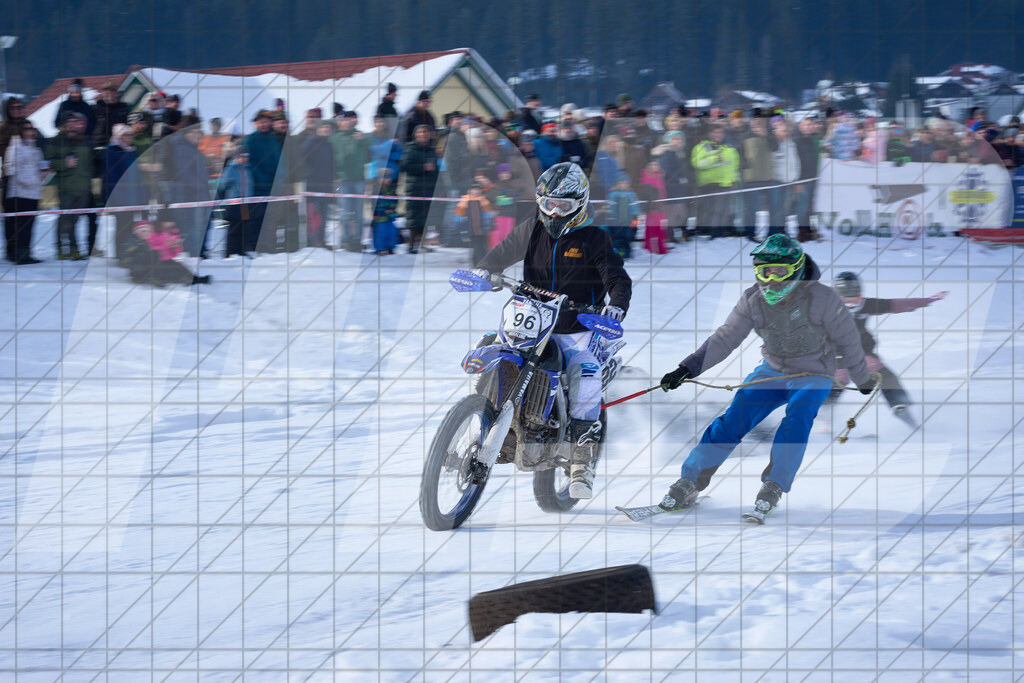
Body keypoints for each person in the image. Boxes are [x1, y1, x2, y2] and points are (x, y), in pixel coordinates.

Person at [658, 234, 875, 520]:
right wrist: (687, 368)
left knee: (798, 418)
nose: (772, 280)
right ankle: (690, 482)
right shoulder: (753, 299)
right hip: (772, 371)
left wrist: (862, 379)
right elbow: (726, 338)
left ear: (796, 269)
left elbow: (849, 342)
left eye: (780, 272)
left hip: (814, 373)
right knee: (732, 420)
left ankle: (774, 484)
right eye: (764, 272)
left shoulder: (823, 298)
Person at [472, 162, 632, 499]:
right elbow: (500, 254)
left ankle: (582, 462)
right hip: (529, 319)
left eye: (564, 206)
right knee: (491, 348)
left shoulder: (594, 239)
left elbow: (616, 277)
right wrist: (486, 270)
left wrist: (615, 304)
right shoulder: (530, 230)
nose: (555, 212)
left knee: (585, 374)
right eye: (549, 204)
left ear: (580, 205)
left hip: (577, 328)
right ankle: (480, 420)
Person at [827, 272, 947, 427]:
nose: (851, 301)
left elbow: (896, 304)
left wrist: (927, 300)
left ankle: (899, 406)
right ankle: (822, 417)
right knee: (837, 382)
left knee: (882, 375)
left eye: (854, 295)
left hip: (860, 356)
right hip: (837, 358)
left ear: (860, 292)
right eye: (845, 296)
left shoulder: (865, 305)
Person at [45, 111, 95, 260]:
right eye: (69, 122)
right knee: (65, 219)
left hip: (84, 187)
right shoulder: (55, 141)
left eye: (75, 122)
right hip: (66, 187)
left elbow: (92, 164)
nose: (72, 125)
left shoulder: (85, 140)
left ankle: (73, 248)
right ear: (64, 124)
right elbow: (47, 163)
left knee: (75, 220)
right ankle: (62, 247)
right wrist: (64, 164)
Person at [3, 121, 45, 264]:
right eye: (27, 129)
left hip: (34, 193)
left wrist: (44, 173)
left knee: (29, 225)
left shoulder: (37, 149)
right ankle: (16, 254)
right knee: (18, 225)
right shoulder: (15, 147)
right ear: (21, 131)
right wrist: (29, 181)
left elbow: (39, 170)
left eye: (33, 128)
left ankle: (26, 253)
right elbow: (10, 169)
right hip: (18, 193)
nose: (31, 131)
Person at [691, 123, 740, 239]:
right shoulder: (701, 147)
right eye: (715, 132)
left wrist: (735, 180)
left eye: (721, 132)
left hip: (727, 183)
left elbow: (735, 166)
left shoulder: (729, 148)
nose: (718, 135)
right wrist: (714, 159)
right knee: (715, 210)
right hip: (711, 183)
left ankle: (721, 232)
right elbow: (697, 163)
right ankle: (714, 233)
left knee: (725, 209)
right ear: (710, 134)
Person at [400, 124, 438, 253]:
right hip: (414, 187)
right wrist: (423, 167)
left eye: (426, 132)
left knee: (426, 218)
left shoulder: (431, 150)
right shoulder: (410, 148)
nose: (423, 134)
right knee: (414, 217)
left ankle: (422, 244)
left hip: (429, 187)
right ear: (415, 134)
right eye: (420, 132)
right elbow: (405, 166)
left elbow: (435, 168)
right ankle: (411, 245)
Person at [216, 146, 255, 257]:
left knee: (244, 228)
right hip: (234, 203)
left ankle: (241, 251)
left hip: (246, 202)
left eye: (246, 156)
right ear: (236, 157)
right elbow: (222, 186)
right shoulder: (231, 169)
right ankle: (230, 252)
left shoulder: (247, 169)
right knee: (234, 228)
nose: (244, 159)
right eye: (242, 156)